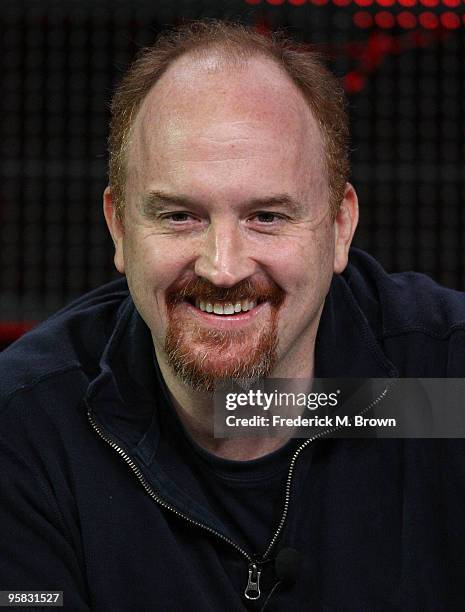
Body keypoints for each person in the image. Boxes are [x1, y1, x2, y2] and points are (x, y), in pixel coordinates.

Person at [1, 21, 464, 611]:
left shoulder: (449, 386)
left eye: (267, 216)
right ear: (118, 228)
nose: (223, 267)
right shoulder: (28, 430)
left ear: (340, 227)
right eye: (179, 216)